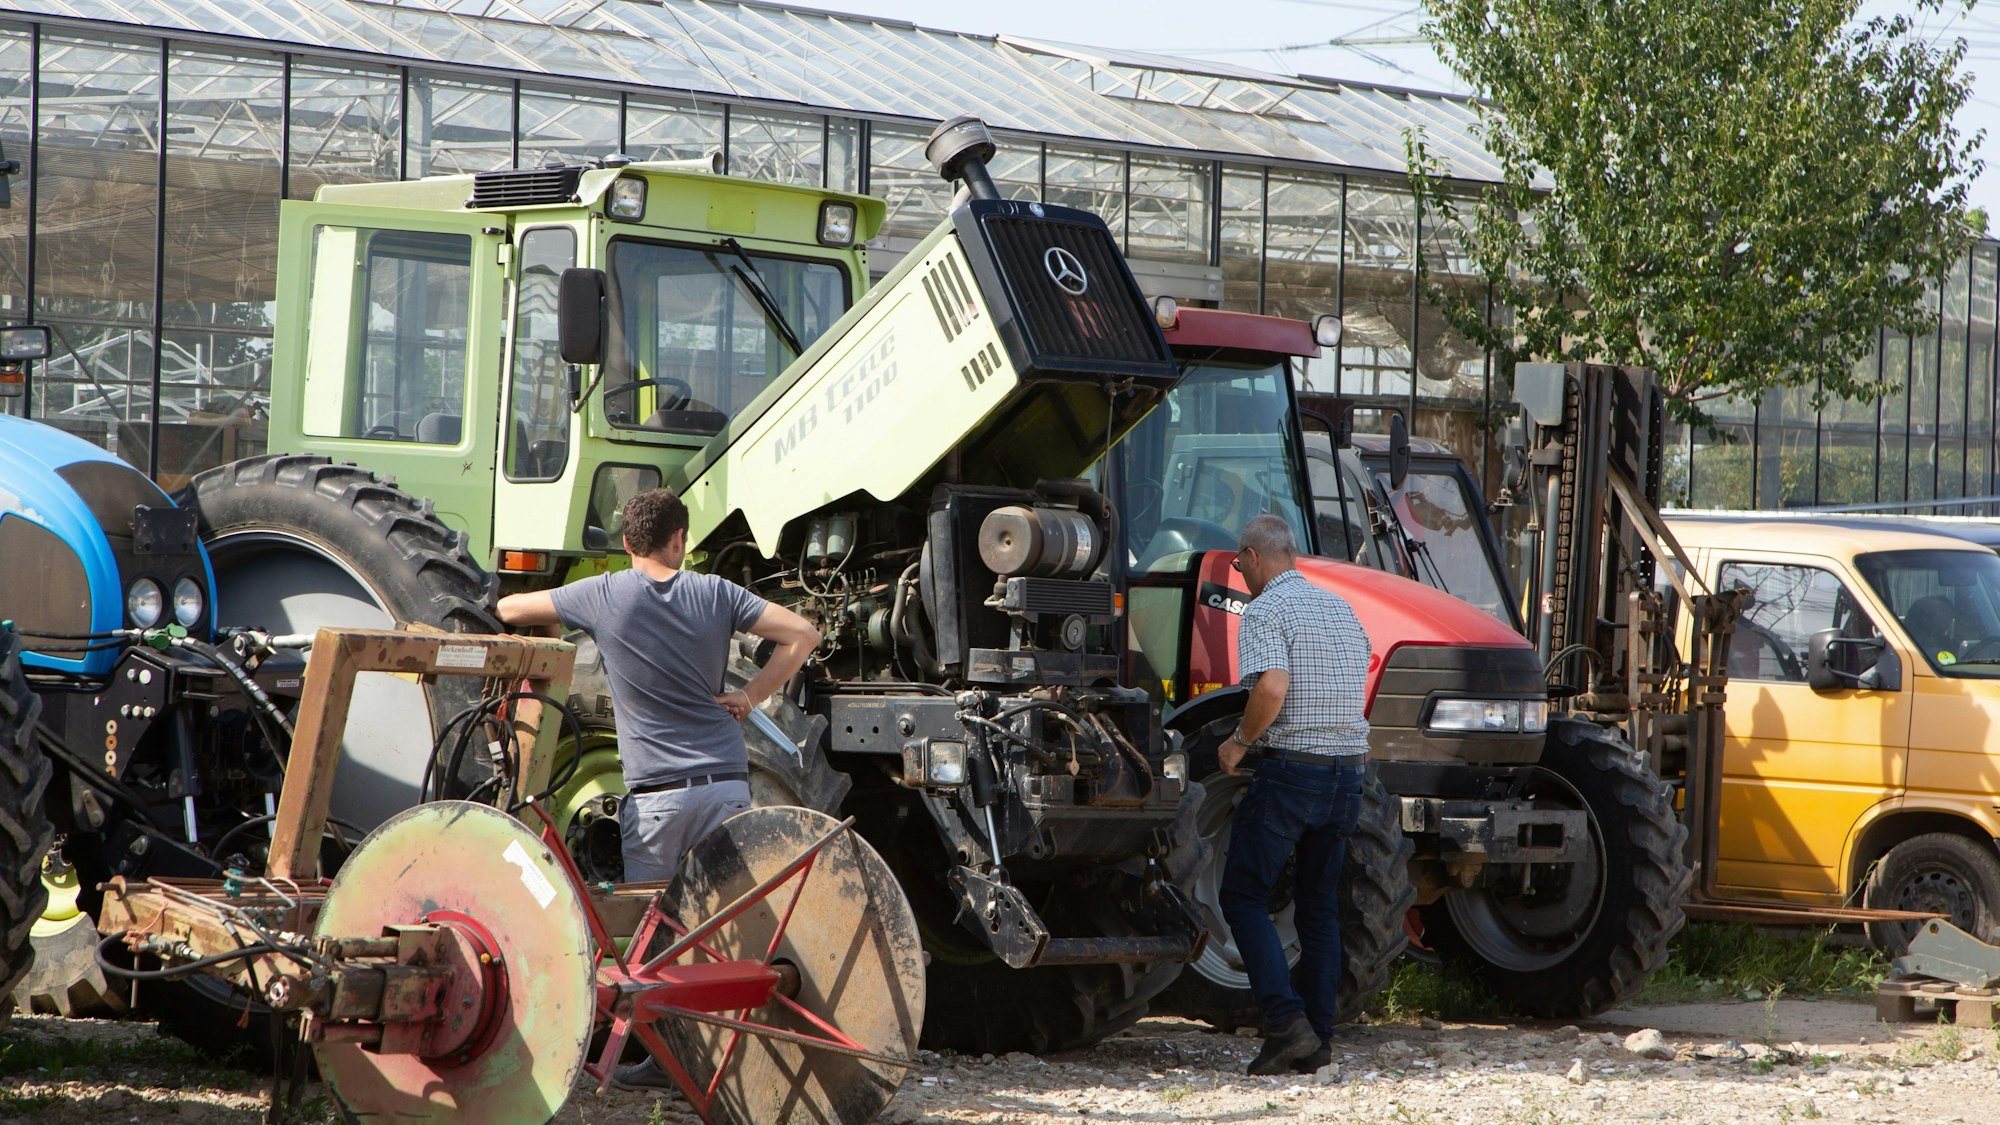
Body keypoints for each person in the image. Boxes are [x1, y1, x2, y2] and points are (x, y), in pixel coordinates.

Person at [496, 487, 819, 884]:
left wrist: (553, 635)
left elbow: (509, 608)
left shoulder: (603, 594)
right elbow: (803, 635)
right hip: (726, 791)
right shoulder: (716, 591)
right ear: (679, 538)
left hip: (658, 803)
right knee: (728, 927)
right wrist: (749, 697)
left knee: (654, 930)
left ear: (628, 542)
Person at [1216, 514, 1373, 1076]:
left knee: (1242, 896)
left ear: (1255, 557)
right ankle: (1319, 1041)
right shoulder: (1340, 607)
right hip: (1348, 775)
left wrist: (1238, 743)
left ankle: (1285, 1024)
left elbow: (1273, 684)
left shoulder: (1264, 610)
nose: (1237, 572)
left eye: (1238, 563)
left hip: (1293, 774)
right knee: (1318, 907)